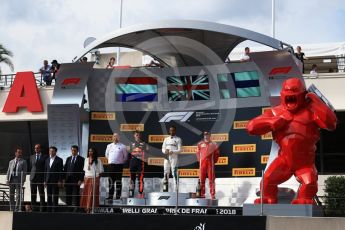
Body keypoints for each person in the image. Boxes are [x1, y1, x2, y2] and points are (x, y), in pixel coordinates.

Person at [247, 78, 337, 204]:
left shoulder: (311, 112)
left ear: (302, 94)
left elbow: (331, 123)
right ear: (282, 95)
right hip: (284, 160)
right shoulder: (275, 112)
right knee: (267, 180)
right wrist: (270, 122)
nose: (290, 94)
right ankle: (268, 199)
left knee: (309, 182)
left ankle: (304, 199)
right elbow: (251, 127)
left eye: (294, 91)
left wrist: (316, 100)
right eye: (287, 91)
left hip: (305, 162)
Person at [196, 131, 219, 199]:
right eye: (205, 134)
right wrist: (199, 160)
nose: (206, 136)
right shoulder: (200, 144)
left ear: (210, 135)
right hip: (202, 164)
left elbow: (217, 154)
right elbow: (197, 153)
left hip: (210, 164)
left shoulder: (214, 144)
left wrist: (213, 161)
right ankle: (202, 194)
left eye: (207, 134)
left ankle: (212, 195)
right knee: (201, 180)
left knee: (211, 180)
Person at [80, 147, 104, 213]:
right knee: (86, 193)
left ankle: (92, 208)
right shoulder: (86, 159)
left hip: (94, 179)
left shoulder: (98, 160)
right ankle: (86, 208)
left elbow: (101, 171)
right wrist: (84, 179)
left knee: (92, 194)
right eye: (89, 151)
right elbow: (85, 170)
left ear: (94, 152)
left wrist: (97, 179)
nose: (90, 153)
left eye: (92, 151)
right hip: (87, 178)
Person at [105, 133, 128, 199]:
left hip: (119, 166)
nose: (115, 138)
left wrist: (119, 161)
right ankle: (110, 195)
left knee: (118, 181)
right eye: (114, 136)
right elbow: (106, 155)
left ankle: (118, 196)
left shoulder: (123, 146)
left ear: (119, 138)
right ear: (112, 137)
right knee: (110, 181)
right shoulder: (109, 146)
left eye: (117, 136)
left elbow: (125, 157)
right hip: (111, 166)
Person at [63, 145, 85, 212]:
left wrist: (80, 180)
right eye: (72, 150)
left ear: (77, 151)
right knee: (68, 194)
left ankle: (76, 207)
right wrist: (64, 179)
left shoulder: (81, 159)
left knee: (76, 195)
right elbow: (65, 169)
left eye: (75, 150)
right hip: (68, 179)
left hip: (76, 180)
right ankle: (69, 207)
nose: (73, 152)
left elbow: (83, 170)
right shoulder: (68, 158)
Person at [6, 147, 27, 212]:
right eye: (18, 152)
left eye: (21, 152)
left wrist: (23, 181)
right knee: (11, 195)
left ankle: (17, 209)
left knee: (18, 195)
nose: (20, 154)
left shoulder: (23, 161)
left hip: (18, 180)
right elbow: (8, 171)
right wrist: (7, 180)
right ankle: (11, 208)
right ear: (15, 153)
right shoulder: (11, 161)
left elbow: (24, 172)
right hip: (11, 179)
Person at [129, 131, 148, 198]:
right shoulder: (131, 143)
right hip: (133, 162)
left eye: (138, 135)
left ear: (140, 136)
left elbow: (146, 153)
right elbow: (130, 153)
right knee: (132, 178)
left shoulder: (144, 143)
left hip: (141, 162)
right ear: (134, 136)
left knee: (140, 178)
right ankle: (131, 193)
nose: (137, 136)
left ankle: (140, 193)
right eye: (136, 135)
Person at [44, 146, 63, 212]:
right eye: (50, 151)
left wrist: (60, 180)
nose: (51, 152)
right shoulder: (47, 159)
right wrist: (45, 181)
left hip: (55, 180)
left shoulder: (59, 160)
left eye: (52, 151)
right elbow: (45, 171)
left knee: (55, 195)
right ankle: (49, 209)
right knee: (49, 195)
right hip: (48, 180)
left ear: (55, 152)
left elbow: (61, 171)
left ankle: (55, 209)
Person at [29, 144, 47, 212]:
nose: (36, 149)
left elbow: (45, 168)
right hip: (33, 178)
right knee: (33, 194)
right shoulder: (32, 157)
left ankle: (42, 208)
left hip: (41, 178)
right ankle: (33, 208)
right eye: (35, 148)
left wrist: (45, 179)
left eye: (37, 148)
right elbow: (31, 167)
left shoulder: (45, 157)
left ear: (40, 149)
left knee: (41, 193)